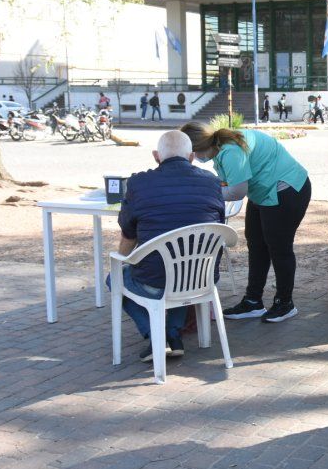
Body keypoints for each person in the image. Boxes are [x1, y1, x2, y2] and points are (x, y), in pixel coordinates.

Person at [110, 131, 225, 362]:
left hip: (154, 281)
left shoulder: (138, 183)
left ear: (156, 156)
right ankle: (173, 334)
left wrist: (121, 263)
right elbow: (219, 225)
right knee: (183, 263)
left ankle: (155, 336)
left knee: (115, 278)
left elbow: (129, 235)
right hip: (201, 278)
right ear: (191, 157)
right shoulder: (212, 182)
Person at [181, 121, 311, 323]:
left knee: (279, 248)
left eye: (193, 153)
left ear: (199, 147)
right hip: (263, 193)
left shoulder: (230, 151)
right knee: (256, 245)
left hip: (286, 190)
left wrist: (205, 192)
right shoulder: (219, 146)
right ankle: (253, 301)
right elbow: (229, 182)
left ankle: (285, 303)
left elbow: (236, 192)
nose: (195, 158)